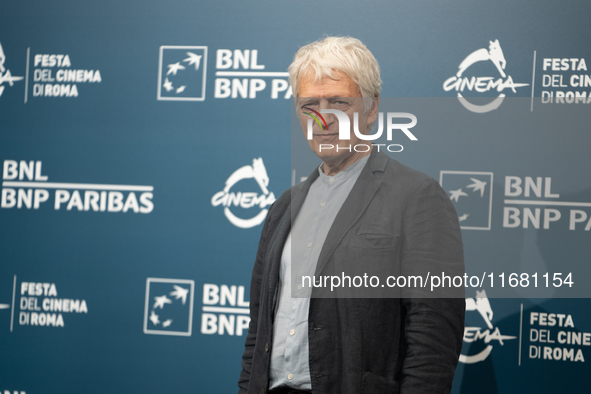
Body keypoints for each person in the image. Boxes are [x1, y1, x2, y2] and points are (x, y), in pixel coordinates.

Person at [238, 36, 465, 394]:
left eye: (339, 103)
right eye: (309, 104)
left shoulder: (418, 197)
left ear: (371, 109)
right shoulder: (284, 205)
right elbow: (258, 333)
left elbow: (433, 342)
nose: (323, 118)